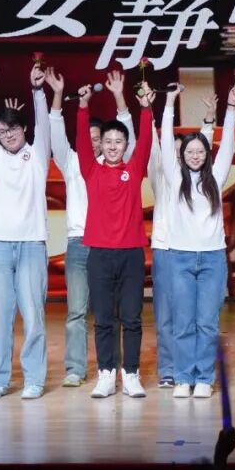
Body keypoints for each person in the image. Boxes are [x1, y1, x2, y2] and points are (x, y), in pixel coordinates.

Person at [44, 69, 135, 390]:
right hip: (79, 242)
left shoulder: (120, 163)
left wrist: (119, 97)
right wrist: (58, 95)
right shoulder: (72, 161)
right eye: (91, 137)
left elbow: (128, 133)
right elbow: (56, 131)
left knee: (113, 313)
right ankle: (75, 368)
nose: (97, 143)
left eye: (102, 138)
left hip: (112, 245)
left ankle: (114, 369)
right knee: (76, 311)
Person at [0, 64, 52, 400]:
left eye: (13, 129)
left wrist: (37, 91)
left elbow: (45, 124)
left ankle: (34, 379)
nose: (8, 135)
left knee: (33, 315)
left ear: (23, 128)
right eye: (2, 131)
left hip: (32, 244)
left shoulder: (37, 155)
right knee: (1, 316)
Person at [75, 79, 155, 399]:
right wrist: (83, 107)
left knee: (132, 317)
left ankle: (131, 373)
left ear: (125, 145)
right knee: (104, 319)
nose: (111, 146)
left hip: (131, 254)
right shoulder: (91, 170)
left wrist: (146, 108)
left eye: (118, 141)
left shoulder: (134, 170)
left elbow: (146, 141)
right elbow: (82, 141)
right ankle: (106, 373)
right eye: (107, 141)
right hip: (100, 255)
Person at [161, 83, 235, 398]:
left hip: (212, 259)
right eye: (189, 151)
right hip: (179, 257)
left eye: (200, 151)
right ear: (182, 154)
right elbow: (165, 142)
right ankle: (183, 377)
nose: (194, 155)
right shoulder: (175, 176)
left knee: (207, 323)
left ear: (207, 155)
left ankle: (204, 378)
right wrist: (169, 103)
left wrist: (229, 109)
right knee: (183, 323)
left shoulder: (215, 179)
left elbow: (228, 144)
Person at [147, 92, 215, 389]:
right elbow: (154, 144)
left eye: (182, 152)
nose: (178, 157)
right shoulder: (161, 175)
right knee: (166, 315)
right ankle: (169, 369)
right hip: (165, 249)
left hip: (191, 250)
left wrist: (209, 120)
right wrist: (153, 108)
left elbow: (205, 146)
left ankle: (194, 370)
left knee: (196, 316)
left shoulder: (200, 179)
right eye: (173, 152)